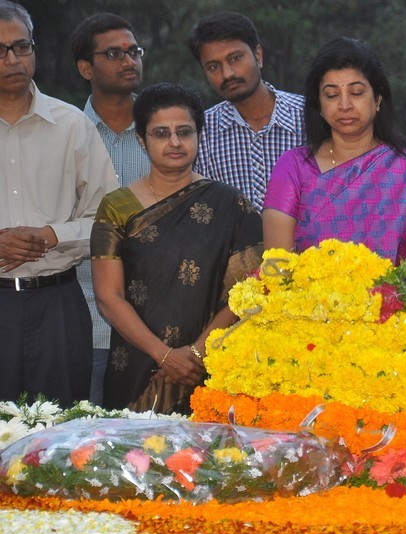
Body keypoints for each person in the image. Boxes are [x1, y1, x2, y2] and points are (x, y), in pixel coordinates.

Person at [91, 83, 263, 414]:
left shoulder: (231, 204)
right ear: (141, 139)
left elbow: (249, 291)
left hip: (212, 365)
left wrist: (197, 353)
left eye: (184, 131)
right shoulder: (116, 207)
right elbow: (108, 297)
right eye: (161, 133)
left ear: (199, 135)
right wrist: (165, 355)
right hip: (138, 362)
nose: (174, 142)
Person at [0, 1, 117, 407]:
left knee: (58, 440)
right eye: (0, 50)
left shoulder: (71, 125)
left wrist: (52, 236)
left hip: (58, 306)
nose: (13, 59)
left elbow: (109, 222)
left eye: (22, 47)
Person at [262, 37, 406, 261]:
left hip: (401, 296)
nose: (345, 105)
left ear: (377, 99)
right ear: (318, 105)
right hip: (307, 296)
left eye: (356, 93)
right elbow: (276, 266)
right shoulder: (293, 167)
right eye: (331, 95)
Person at [70, 12, 151, 405]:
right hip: (87, 324)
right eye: (114, 53)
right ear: (86, 67)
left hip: (162, 325)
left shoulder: (165, 130)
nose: (128, 61)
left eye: (133, 51)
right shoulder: (65, 132)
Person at [188, 11, 304, 210]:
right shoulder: (200, 133)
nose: (227, 74)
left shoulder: (307, 117)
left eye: (235, 58)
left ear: (258, 55)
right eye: (214, 66)